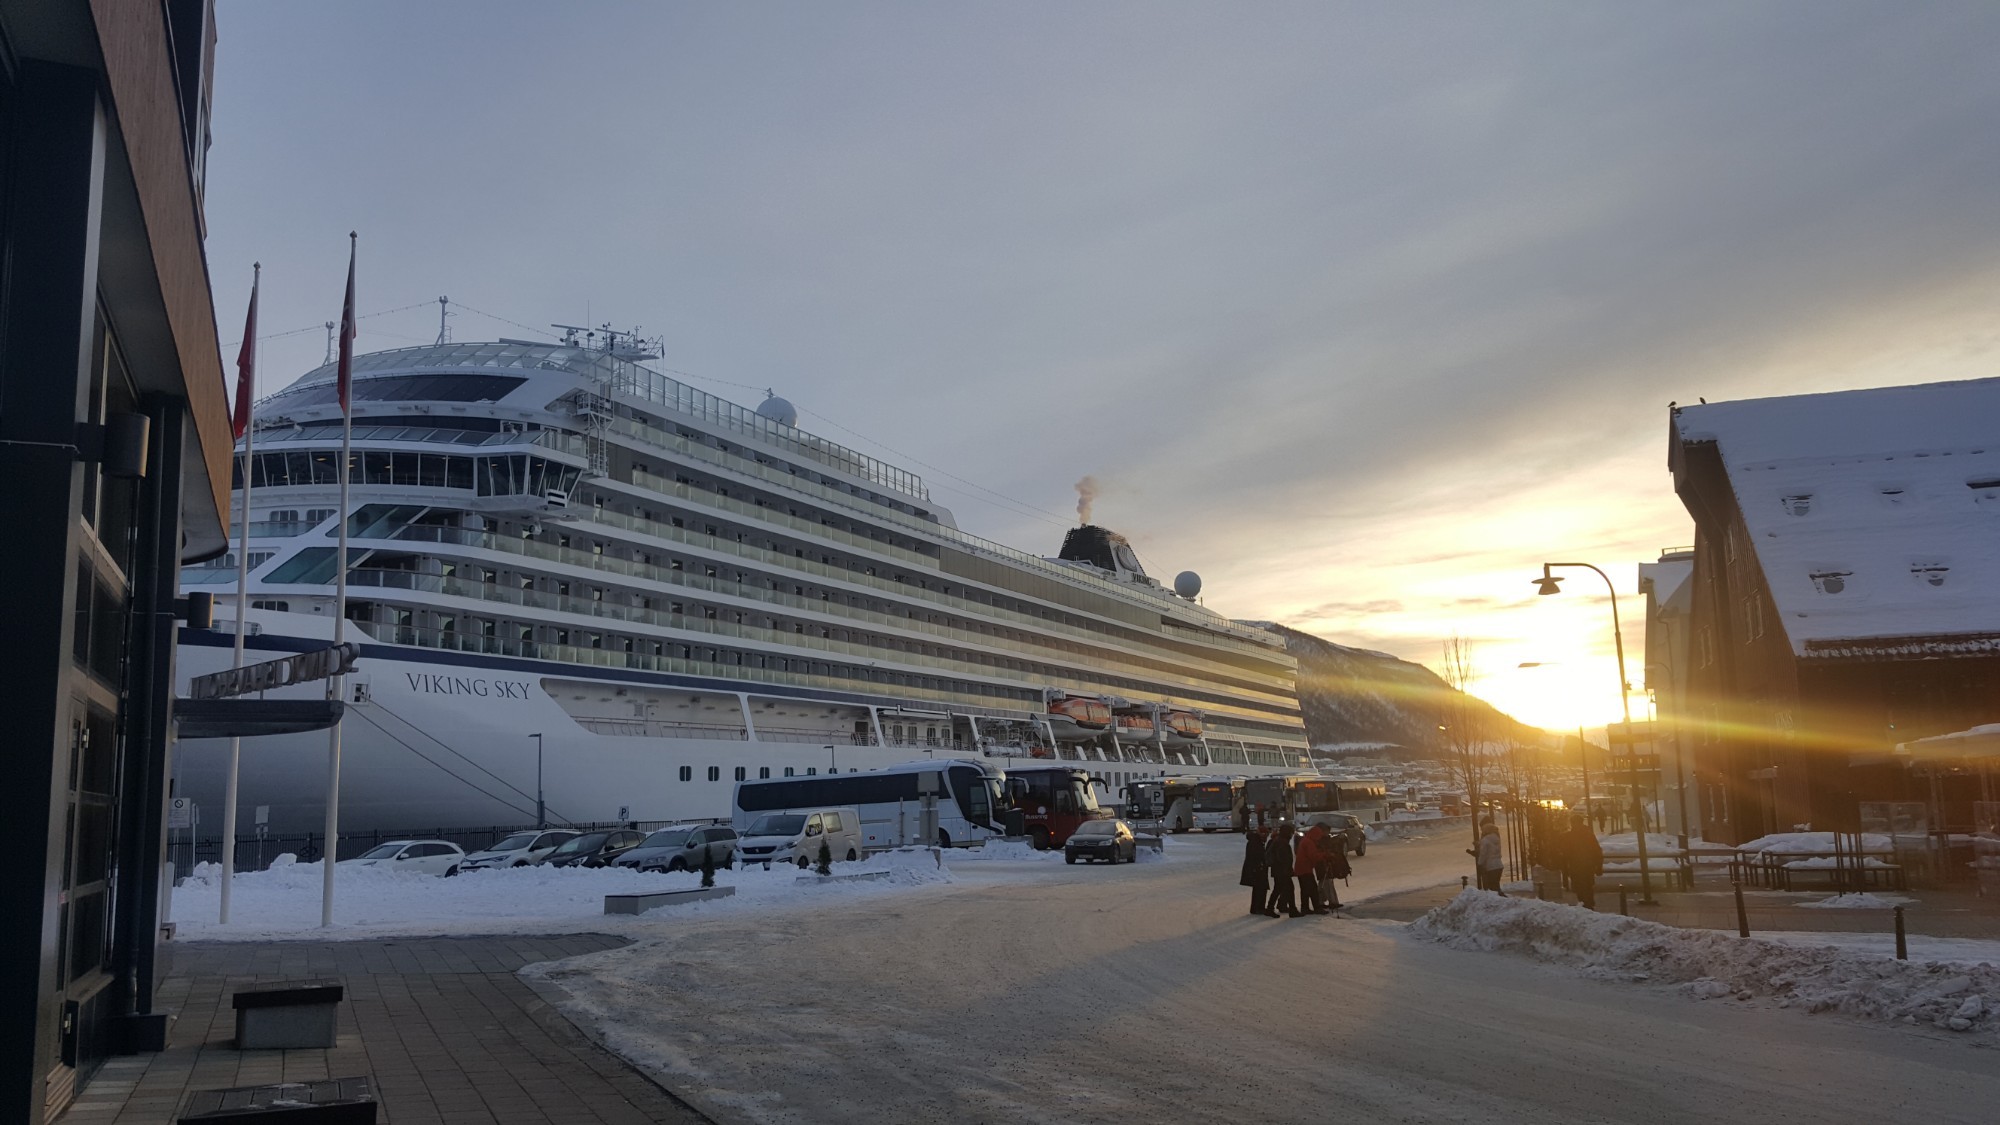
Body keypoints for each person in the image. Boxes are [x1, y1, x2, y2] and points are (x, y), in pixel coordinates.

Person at [1562, 814, 1603, 910]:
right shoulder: (1587, 834)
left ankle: (1586, 904)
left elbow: (1566, 853)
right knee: (1586, 886)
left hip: (1578, 866)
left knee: (1581, 886)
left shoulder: (1571, 836)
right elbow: (1597, 850)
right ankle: (1588, 904)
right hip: (1586, 865)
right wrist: (1598, 865)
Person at [1264, 824, 1299, 918]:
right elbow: (1284, 859)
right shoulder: (1282, 843)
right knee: (1289, 889)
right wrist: (1289, 870)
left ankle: (1270, 908)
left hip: (1277, 870)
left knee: (1278, 889)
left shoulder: (1278, 841)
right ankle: (1293, 910)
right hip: (1282, 871)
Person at [1240, 825, 1270, 916]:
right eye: (1265, 834)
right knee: (1260, 888)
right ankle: (1258, 908)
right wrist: (1260, 864)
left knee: (1259, 888)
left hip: (1256, 868)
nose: (1266, 836)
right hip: (1257, 869)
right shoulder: (1255, 842)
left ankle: (1257, 907)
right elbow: (1255, 856)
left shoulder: (1255, 841)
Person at [1295, 822, 1324, 915]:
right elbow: (1313, 856)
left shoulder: (1305, 840)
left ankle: (1305, 907)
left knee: (1305, 890)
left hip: (1301, 869)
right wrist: (1324, 855)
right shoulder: (1309, 843)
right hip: (1305, 869)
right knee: (1313, 889)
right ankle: (1317, 907)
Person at [1468, 818, 1504, 893]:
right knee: (1496, 887)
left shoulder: (1485, 839)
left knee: (1491, 890)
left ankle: (1503, 902)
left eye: (1481, 829)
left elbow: (1483, 854)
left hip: (1490, 867)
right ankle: (1503, 901)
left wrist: (1480, 863)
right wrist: (1479, 843)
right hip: (1499, 865)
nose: (1481, 831)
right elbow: (1491, 847)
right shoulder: (1496, 837)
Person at [1321, 832, 1351, 909]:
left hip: (1323, 865)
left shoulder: (1320, 840)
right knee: (1327, 882)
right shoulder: (1321, 842)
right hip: (1323, 865)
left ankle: (1324, 901)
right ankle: (1331, 902)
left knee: (1324, 883)